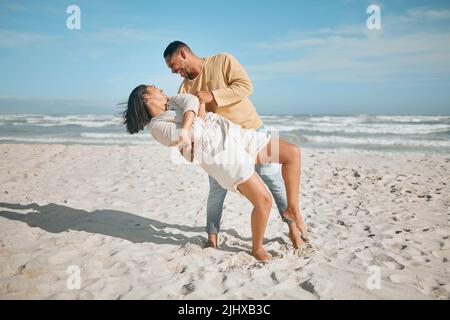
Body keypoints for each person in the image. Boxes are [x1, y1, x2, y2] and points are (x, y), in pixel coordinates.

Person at [122, 84, 308, 260]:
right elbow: (196, 130)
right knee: (264, 202)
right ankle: (257, 249)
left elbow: (191, 101)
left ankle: (292, 209)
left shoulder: (172, 102)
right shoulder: (157, 128)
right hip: (220, 155)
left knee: (291, 153)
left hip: (232, 133)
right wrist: (196, 117)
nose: (162, 90)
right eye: (157, 89)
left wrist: (189, 122)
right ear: (146, 96)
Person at [163, 41, 305, 248]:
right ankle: (212, 237)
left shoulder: (222, 60)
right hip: (223, 146)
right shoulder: (185, 88)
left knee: (272, 179)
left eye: (173, 65)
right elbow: (192, 120)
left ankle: (293, 231)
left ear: (183, 53)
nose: (174, 71)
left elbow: (246, 86)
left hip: (253, 130)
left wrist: (212, 95)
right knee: (216, 190)